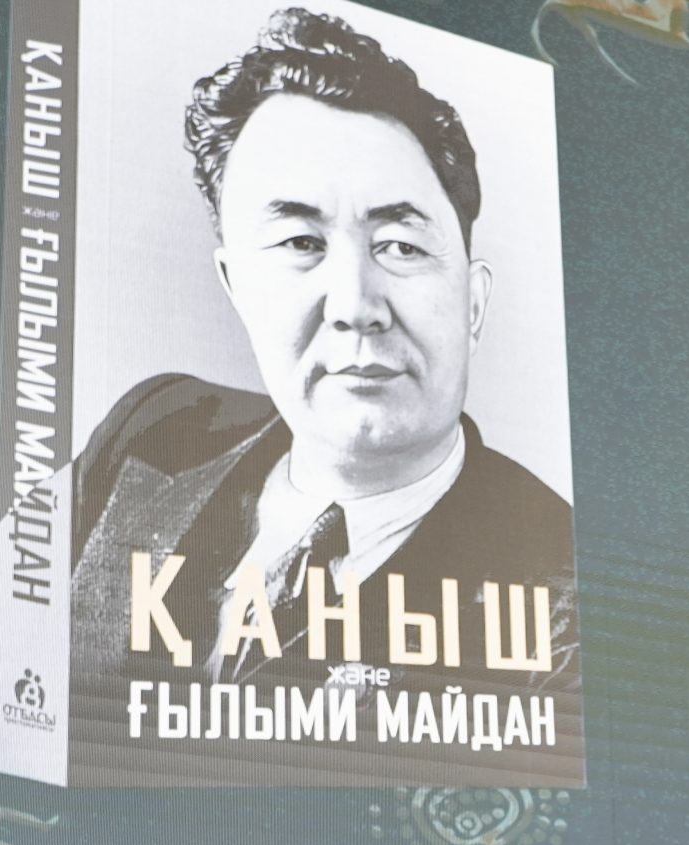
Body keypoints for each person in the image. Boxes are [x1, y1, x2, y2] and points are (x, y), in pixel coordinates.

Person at [64, 6, 580, 784]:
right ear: (236, 287)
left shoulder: (570, 603)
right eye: (301, 243)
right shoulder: (155, 425)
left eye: (400, 245)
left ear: (473, 301)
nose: (355, 304)